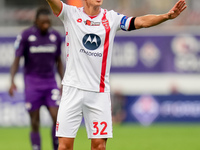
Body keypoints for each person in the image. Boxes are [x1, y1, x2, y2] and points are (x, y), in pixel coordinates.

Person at [45, 0, 187, 150]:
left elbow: (140, 22)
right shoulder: (70, 14)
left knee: (99, 146)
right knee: (64, 146)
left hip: (99, 93)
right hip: (72, 90)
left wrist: (165, 16)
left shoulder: (112, 18)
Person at [9, 6, 64, 150]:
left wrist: (63, 82)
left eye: (48, 22)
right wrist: (12, 81)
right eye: (43, 22)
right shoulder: (26, 36)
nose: (46, 25)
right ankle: (36, 147)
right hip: (32, 84)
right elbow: (16, 60)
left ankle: (56, 146)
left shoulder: (56, 37)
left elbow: (59, 62)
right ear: (36, 22)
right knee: (35, 121)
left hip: (50, 83)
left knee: (57, 118)